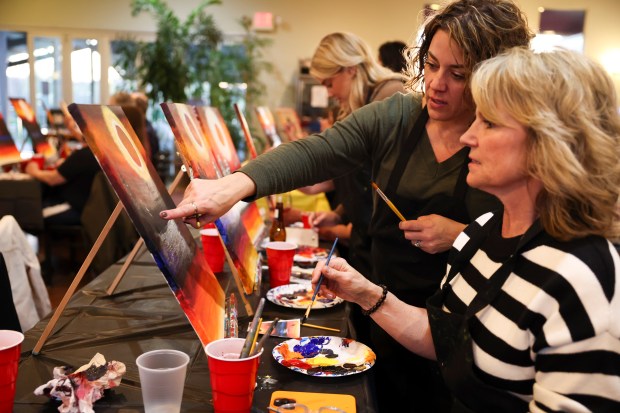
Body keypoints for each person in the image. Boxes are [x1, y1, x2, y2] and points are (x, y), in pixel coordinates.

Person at [160, 0, 532, 410]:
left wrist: (462, 236)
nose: (436, 84)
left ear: (494, 77)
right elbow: (320, 151)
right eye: (431, 64)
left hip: (472, 339)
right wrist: (234, 186)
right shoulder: (401, 116)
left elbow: (522, 243)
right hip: (388, 307)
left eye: (458, 74)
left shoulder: (513, 146)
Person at [310, 47, 620, 412]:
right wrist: (365, 294)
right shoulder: (483, 232)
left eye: (488, 122)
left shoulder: (585, 276)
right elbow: (449, 338)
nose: (468, 136)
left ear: (548, 141)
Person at [303, 31, 406, 277]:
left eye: (329, 83)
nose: (328, 93)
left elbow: (383, 178)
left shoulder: (390, 96)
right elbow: (360, 175)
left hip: (389, 250)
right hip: (366, 240)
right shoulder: (359, 103)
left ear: (349, 68)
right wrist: (338, 214)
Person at [25, 111, 100, 226]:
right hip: (86, 206)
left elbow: (53, 179)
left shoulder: (83, 155)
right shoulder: (98, 152)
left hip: (74, 207)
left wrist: (33, 171)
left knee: (31, 214)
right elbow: (84, 140)